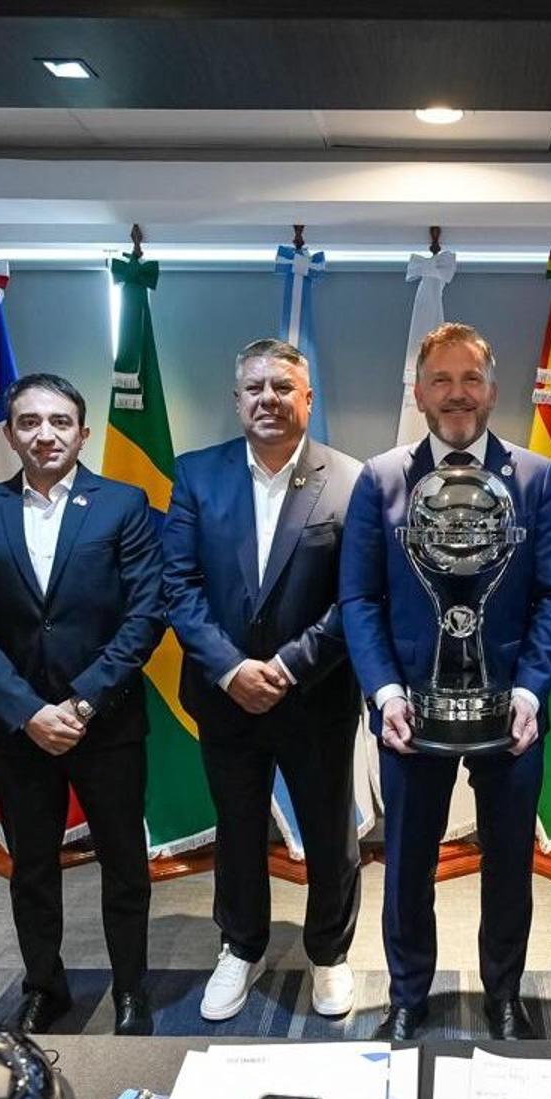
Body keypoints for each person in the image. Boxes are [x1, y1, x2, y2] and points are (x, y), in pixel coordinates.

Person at [340, 321, 551, 1040]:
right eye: (440, 380)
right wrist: (384, 694)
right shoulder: (381, 479)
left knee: (510, 864)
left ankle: (504, 994)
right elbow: (359, 598)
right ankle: (409, 995)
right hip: (412, 710)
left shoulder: (533, 478)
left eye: (470, 379)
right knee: (408, 864)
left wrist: (533, 689)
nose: (456, 394)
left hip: (514, 714)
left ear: (493, 390)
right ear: (418, 392)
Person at [0, 373, 165, 1036]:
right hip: (22, 731)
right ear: (11, 433)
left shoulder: (124, 505)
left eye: (61, 422)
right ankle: (46, 984)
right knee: (32, 867)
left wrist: (82, 702)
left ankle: (132, 989)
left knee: (125, 864)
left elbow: (146, 613)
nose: (46, 434)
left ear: (83, 432)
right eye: (31, 422)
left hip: (107, 723)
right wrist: (27, 709)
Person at [163, 338, 366, 1022]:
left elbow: (358, 597)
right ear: (237, 400)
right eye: (255, 388)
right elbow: (179, 586)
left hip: (317, 693)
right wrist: (229, 669)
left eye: (283, 387)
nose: (269, 399)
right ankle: (241, 946)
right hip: (225, 698)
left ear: (308, 399)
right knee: (239, 826)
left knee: (330, 830)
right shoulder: (196, 475)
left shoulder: (350, 478)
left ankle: (329, 953)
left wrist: (287, 666)